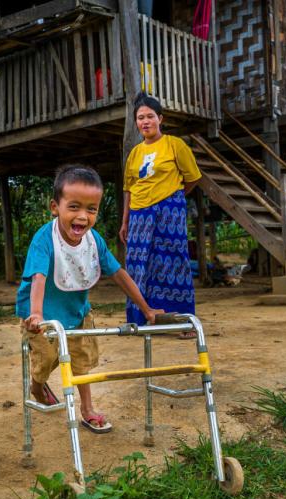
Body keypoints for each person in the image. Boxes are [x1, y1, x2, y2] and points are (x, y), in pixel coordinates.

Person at [16, 164, 162, 433]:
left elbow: (119, 274)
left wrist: (147, 309)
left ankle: (87, 409)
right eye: (73, 207)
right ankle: (37, 385)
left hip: (76, 311)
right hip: (42, 313)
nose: (82, 216)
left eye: (91, 209)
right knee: (46, 359)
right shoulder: (44, 239)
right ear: (54, 207)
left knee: (81, 360)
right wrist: (36, 314)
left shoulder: (93, 240)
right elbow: (38, 276)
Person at [119, 92, 201, 337]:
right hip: (138, 216)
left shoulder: (175, 145)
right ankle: (141, 320)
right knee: (138, 265)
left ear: (160, 119)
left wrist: (172, 199)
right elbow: (128, 189)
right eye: (140, 118)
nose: (145, 122)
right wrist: (125, 221)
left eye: (150, 117)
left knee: (173, 263)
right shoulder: (134, 153)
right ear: (136, 122)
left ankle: (183, 322)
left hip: (169, 214)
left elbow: (193, 179)